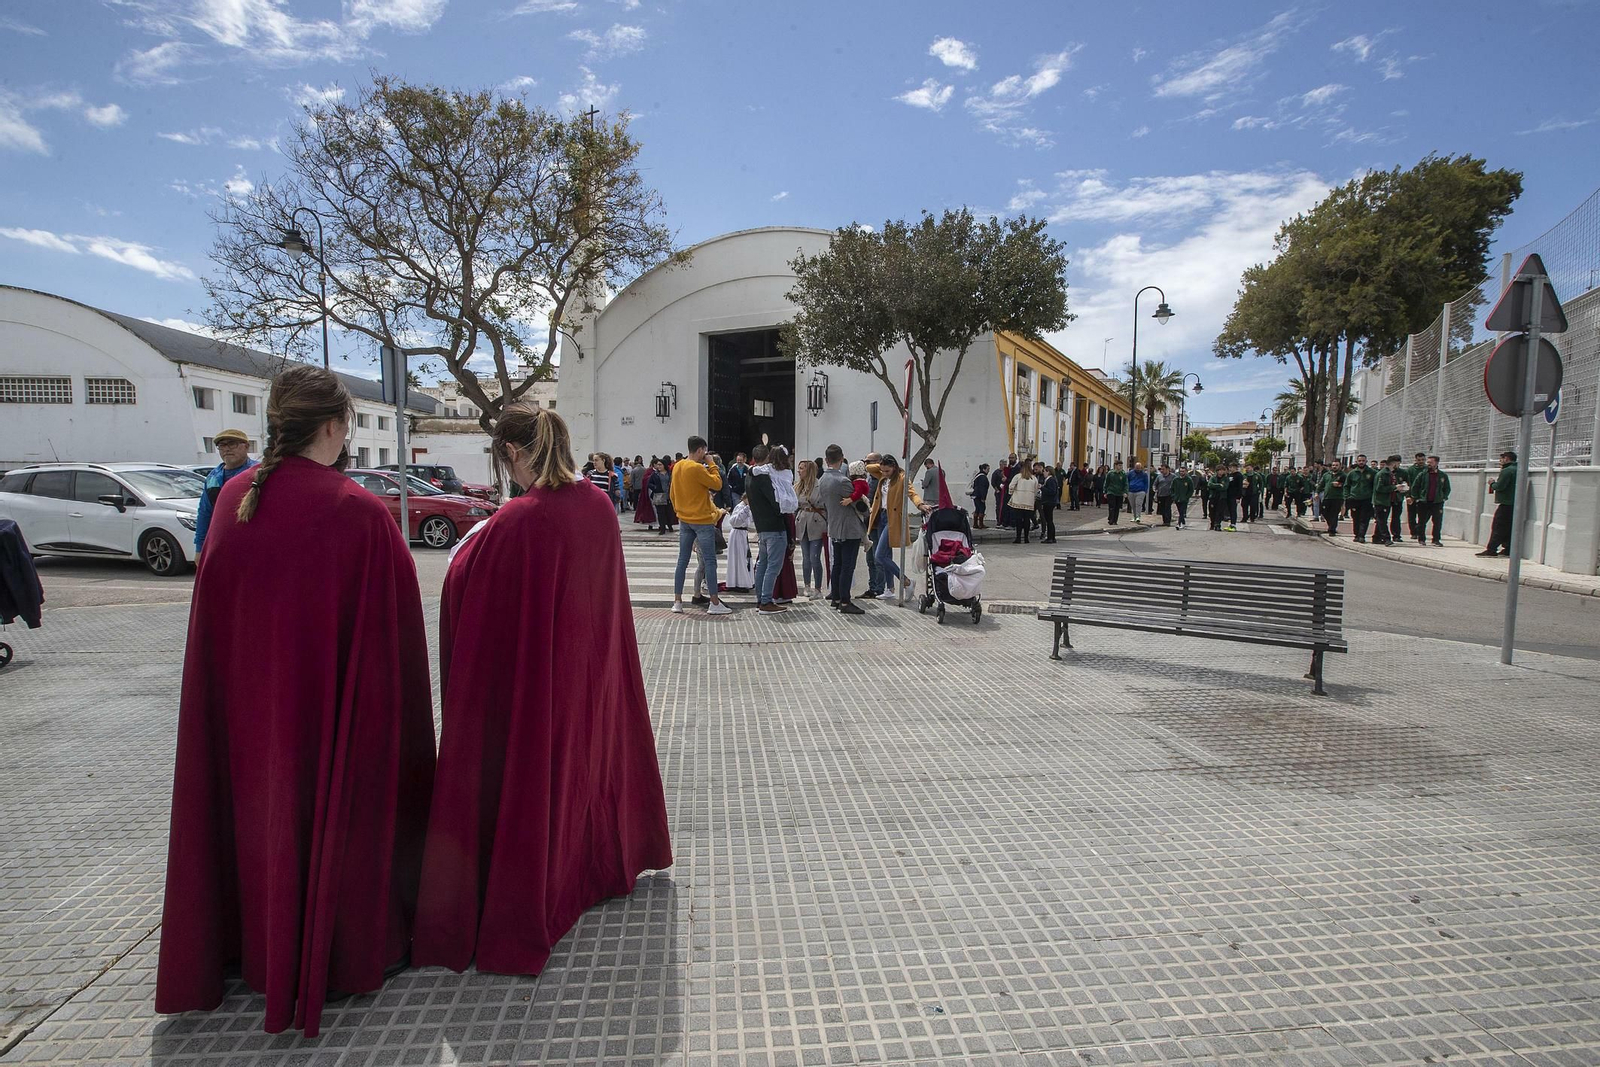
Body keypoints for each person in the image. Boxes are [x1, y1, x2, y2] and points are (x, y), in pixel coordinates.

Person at [156, 366, 436, 1037]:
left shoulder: (235, 497)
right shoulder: (355, 510)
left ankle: (252, 943)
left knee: (258, 818)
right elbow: (393, 648)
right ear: (335, 426)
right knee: (332, 815)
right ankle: (340, 948)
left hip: (247, 717)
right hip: (326, 722)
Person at [413, 405, 671, 977]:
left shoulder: (521, 518)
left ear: (510, 453)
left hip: (542, 683)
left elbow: (474, 590)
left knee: (537, 777)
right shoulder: (596, 504)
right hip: (586, 675)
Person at [670, 436, 731, 615]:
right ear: (700, 450)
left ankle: (677, 601)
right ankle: (714, 602)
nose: (705, 454)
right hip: (702, 520)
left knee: (682, 561)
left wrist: (679, 511)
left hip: (684, 519)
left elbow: (672, 493)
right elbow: (717, 484)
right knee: (710, 561)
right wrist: (712, 464)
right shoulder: (696, 468)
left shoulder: (678, 466)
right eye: (704, 451)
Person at [864, 455, 931, 599]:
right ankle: (890, 589)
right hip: (880, 517)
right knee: (886, 554)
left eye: (887, 471)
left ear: (894, 468)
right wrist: (881, 466)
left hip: (893, 519)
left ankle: (907, 582)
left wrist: (920, 505)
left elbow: (912, 493)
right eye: (882, 471)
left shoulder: (902, 478)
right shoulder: (882, 475)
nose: (884, 473)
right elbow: (868, 467)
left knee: (879, 555)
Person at [193, 428, 257, 556]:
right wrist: (200, 548)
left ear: (246, 446)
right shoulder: (213, 477)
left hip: (253, 541)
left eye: (232, 444)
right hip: (222, 542)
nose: (227, 449)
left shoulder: (258, 472)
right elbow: (205, 512)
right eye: (222, 445)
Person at [820, 445, 866, 614]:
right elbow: (859, 505)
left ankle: (836, 598)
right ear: (842, 459)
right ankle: (845, 602)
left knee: (837, 564)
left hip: (834, 525)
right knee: (847, 566)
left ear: (826, 460)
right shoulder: (843, 481)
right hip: (848, 528)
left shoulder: (822, 479)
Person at [747, 445, 790, 614]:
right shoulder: (764, 478)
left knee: (762, 564)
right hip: (774, 525)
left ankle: (761, 599)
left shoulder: (750, 475)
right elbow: (775, 500)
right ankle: (766, 600)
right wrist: (785, 507)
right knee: (773, 566)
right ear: (767, 458)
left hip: (761, 525)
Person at [795, 459, 829, 598]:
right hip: (803, 520)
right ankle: (807, 585)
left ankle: (818, 588)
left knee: (814, 557)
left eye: (802, 468)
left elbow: (825, 505)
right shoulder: (798, 486)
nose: (799, 471)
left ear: (809, 470)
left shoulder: (819, 486)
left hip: (816, 521)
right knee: (805, 557)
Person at [1478, 450, 1518, 557]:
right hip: (1515, 504)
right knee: (1509, 527)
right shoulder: (1518, 469)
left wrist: (1492, 484)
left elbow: (1500, 486)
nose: (1500, 461)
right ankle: (1508, 548)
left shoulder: (1507, 471)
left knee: (1498, 526)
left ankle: (1491, 549)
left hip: (1506, 503)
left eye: (1501, 459)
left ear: (1506, 459)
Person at [1411, 454, 1450, 547]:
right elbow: (1415, 487)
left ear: (1436, 463)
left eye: (1431, 462)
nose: (1428, 464)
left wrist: (1444, 497)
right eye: (1428, 462)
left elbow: (1447, 488)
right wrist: (1416, 498)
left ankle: (1436, 540)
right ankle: (1421, 539)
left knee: (1437, 522)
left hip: (1437, 502)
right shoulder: (1422, 474)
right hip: (1424, 502)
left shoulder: (1442, 475)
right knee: (1422, 521)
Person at [1344, 454, 1375, 543]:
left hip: (1367, 499)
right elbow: (1346, 486)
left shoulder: (1372, 473)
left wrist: (1373, 498)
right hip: (1354, 499)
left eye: (1363, 461)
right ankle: (1356, 535)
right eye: (1359, 461)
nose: (1361, 462)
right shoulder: (1352, 473)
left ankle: (1362, 535)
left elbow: (1374, 486)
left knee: (1364, 518)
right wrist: (1347, 496)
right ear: (1357, 462)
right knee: (1355, 518)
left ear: (1366, 461)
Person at [1370, 455, 1398, 546]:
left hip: (1387, 500)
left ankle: (1376, 537)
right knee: (1382, 521)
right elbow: (1379, 488)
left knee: (1381, 520)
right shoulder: (1382, 474)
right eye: (1397, 463)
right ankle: (1386, 538)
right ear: (1394, 463)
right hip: (1380, 501)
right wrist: (1394, 487)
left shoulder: (1390, 473)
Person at [1035, 461, 1059, 543]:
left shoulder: (1051, 480)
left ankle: (1050, 537)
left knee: (1049, 520)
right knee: (1049, 520)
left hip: (1049, 502)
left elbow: (1052, 491)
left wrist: (1042, 487)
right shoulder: (1048, 480)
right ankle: (1052, 537)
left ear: (1048, 472)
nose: (1043, 473)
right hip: (1048, 501)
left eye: (1044, 471)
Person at [1320, 462, 1345, 536]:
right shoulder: (1326, 475)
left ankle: (1332, 530)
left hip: (1337, 497)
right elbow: (1321, 484)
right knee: (1324, 512)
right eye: (1333, 465)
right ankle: (1331, 525)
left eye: (1336, 465)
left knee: (1334, 514)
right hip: (1327, 497)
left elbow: (1347, 485)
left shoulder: (1343, 475)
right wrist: (1317, 493)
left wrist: (1340, 485)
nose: (1334, 467)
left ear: (1340, 466)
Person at [1104, 460, 1128, 525]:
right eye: (1119, 465)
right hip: (1111, 491)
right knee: (1112, 506)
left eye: (1121, 465)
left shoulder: (1123, 474)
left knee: (1117, 507)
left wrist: (1125, 492)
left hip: (1119, 493)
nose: (1120, 467)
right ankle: (1111, 519)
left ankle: (1115, 520)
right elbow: (1106, 483)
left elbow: (1125, 484)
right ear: (1115, 465)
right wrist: (1105, 492)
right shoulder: (1110, 473)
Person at [970, 464, 990, 528]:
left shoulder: (978, 475)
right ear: (984, 469)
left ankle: (975, 524)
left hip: (975, 495)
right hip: (979, 496)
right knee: (982, 508)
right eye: (987, 469)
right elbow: (982, 488)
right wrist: (983, 497)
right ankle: (981, 524)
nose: (988, 471)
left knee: (977, 508)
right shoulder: (983, 477)